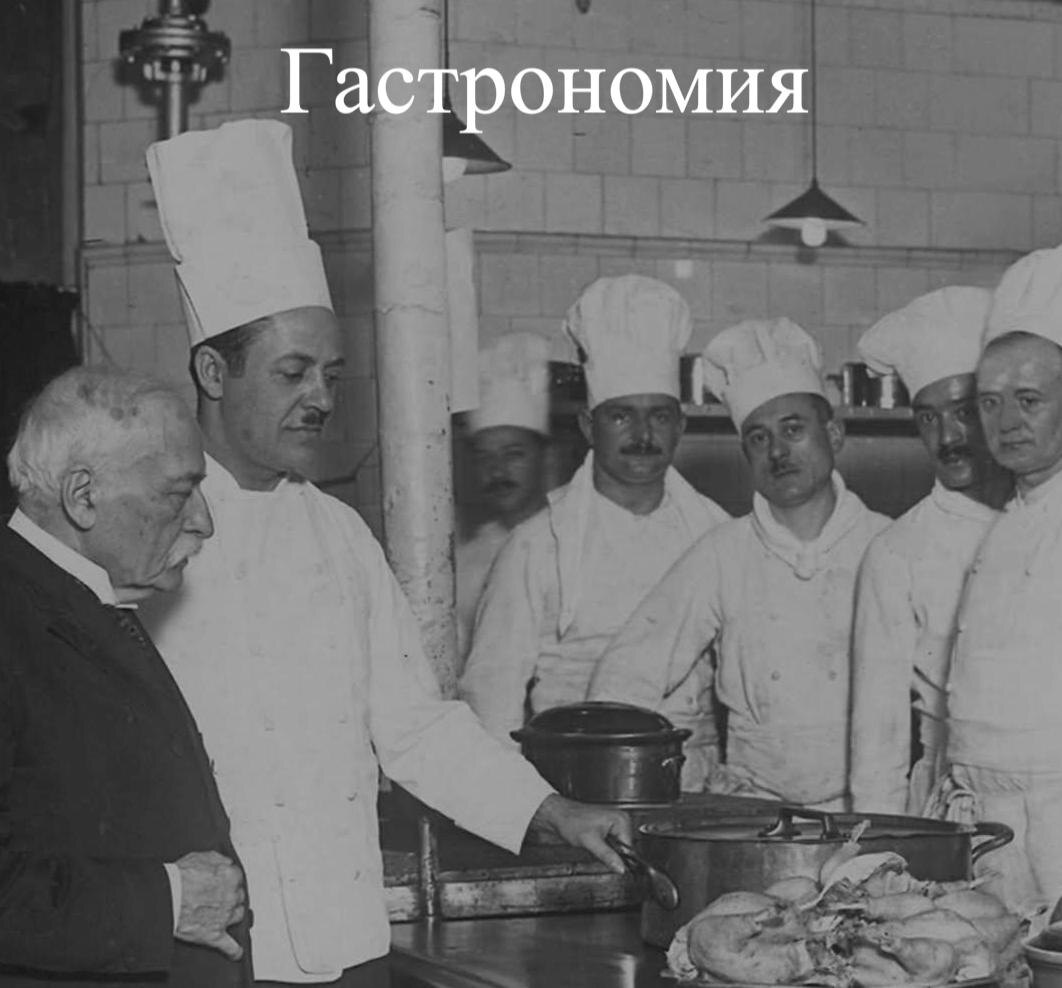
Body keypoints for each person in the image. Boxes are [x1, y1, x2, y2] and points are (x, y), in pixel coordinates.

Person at [140, 119, 631, 988]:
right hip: (212, 952)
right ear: (214, 373)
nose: (320, 398)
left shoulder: (339, 536)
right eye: (292, 372)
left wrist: (551, 811)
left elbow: (416, 727)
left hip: (347, 937)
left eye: (331, 375)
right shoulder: (141, 532)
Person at [0, 366, 249, 988]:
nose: (204, 521)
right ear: (83, 496)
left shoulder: (89, 600)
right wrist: (168, 901)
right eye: (178, 493)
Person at [589, 318, 890, 806]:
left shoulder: (887, 545)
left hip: (869, 808)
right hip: (753, 811)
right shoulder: (722, 552)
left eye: (793, 429)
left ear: (834, 434)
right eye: (758, 438)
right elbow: (628, 671)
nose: (778, 452)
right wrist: (616, 788)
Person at [458, 274, 730, 785]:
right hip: (574, 786)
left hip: (695, 789)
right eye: (621, 417)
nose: (643, 435)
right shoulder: (537, 544)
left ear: (680, 425)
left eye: (659, 416)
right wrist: (522, 808)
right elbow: (492, 698)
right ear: (588, 426)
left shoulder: (718, 535)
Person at [848, 287, 1013, 816]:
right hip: (957, 802)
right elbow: (878, 741)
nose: (947, 437)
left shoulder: (1044, 516)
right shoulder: (896, 552)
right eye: (927, 417)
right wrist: (878, 847)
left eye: (964, 411)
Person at [940, 245, 1062, 912]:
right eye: (989, 402)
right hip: (991, 818)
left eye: (1029, 400)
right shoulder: (1009, 519)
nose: (1006, 422)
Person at [456, 332, 551, 664]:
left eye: (513, 454)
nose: (497, 471)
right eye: (484, 457)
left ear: (543, 457)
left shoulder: (572, 540)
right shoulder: (465, 564)